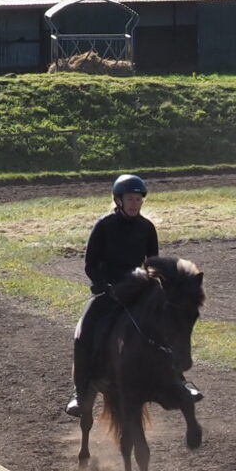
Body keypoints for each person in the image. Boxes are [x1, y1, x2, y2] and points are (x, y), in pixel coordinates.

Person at [65, 174, 162, 417]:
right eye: (130, 199)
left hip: (136, 292)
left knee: (167, 324)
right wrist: (105, 286)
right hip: (107, 293)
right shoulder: (104, 226)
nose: (135, 204)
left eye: (138, 199)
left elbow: (152, 263)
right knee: (83, 334)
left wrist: (148, 283)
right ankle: (80, 392)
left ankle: (178, 379)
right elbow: (90, 265)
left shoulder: (147, 228)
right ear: (119, 200)